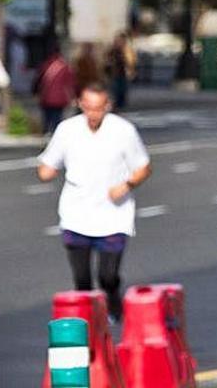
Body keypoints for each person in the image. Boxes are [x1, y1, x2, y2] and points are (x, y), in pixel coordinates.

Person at [37, 83, 151, 322]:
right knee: (82, 279)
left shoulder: (123, 131)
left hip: (113, 214)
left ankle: (113, 304)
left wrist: (126, 185)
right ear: (80, 104)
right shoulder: (67, 130)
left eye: (98, 109)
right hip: (76, 213)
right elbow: (48, 163)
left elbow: (143, 167)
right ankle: (89, 323)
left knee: (107, 276)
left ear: (107, 106)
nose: (93, 114)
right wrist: (46, 171)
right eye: (88, 108)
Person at [34, 44, 75, 134]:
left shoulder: (46, 65)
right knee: (57, 116)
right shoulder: (64, 66)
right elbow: (70, 82)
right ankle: (56, 132)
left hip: (46, 96)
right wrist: (71, 96)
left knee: (47, 116)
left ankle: (46, 131)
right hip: (59, 97)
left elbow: (39, 79)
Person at [105, 32, 136, 110]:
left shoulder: (126, 50)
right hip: (114, 73)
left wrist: (131, 70)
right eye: (118, 40)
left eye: (121, 40)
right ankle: (116, 104)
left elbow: (131, 61)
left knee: (123, 89)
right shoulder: (112, 50)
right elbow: (107, 60)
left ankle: (121, 104)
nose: (120, 42)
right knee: (115, 90)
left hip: (123, 73)